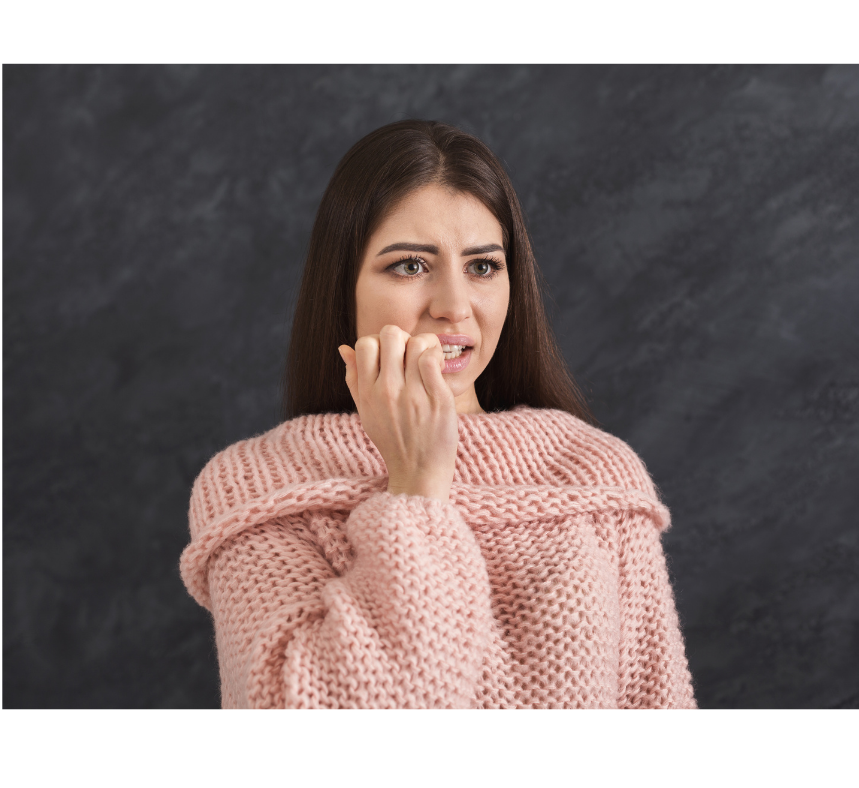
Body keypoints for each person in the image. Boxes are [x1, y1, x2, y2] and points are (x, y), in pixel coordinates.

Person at [179, 119, 696, 709]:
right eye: (410, 265)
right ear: (343, 286)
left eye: (483, 267)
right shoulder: (254, 485)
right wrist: (416, 488)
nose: (454, 306)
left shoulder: (596, 474)